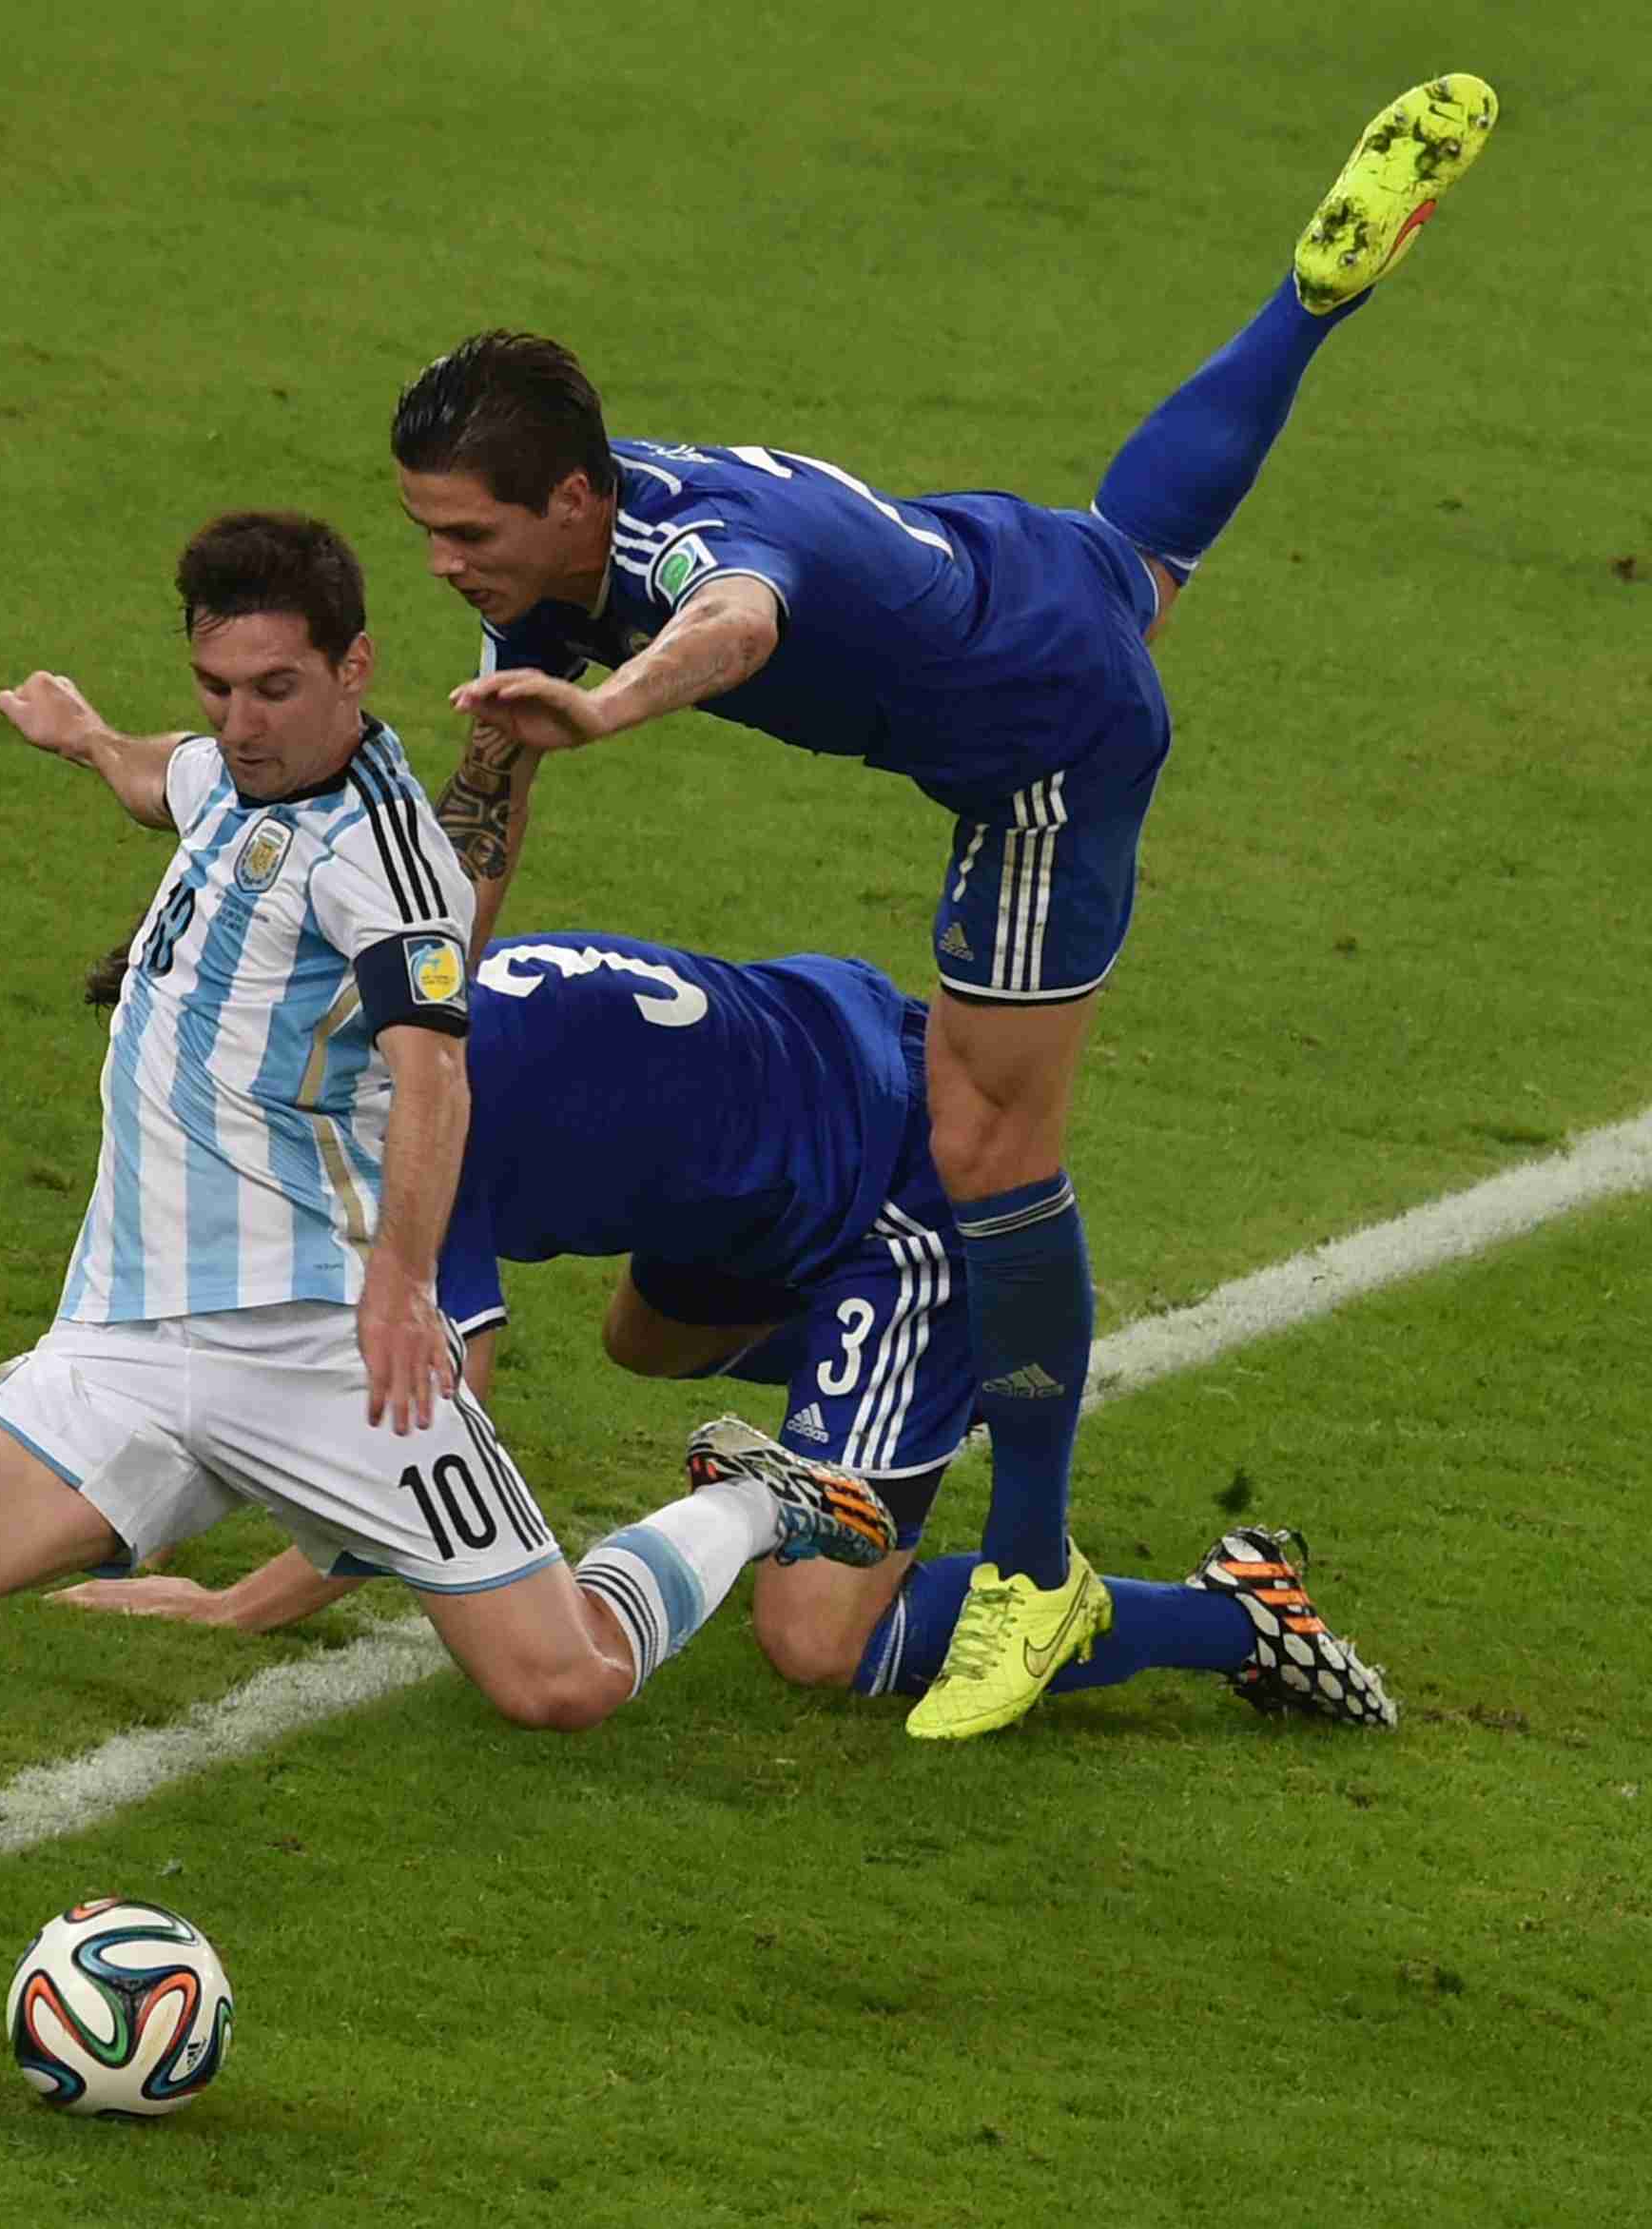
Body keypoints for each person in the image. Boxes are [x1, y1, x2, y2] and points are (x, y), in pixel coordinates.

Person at [0, 515, 893, 1995]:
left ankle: (749, 1500)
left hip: (320, 1346)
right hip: (129, 1331)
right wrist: (84, 736)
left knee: (563, 1682)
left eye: (275, 688)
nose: (242, 721)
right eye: (218, 686)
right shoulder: (231, 768)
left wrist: (404, 1284)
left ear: (355, 669)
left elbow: (435, 1075)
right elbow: (166, 776)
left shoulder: (389, 868)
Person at [388, 76, 1493, 1739]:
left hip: (1045, 753)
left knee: (990, 1150)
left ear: (577, 499)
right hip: (1014, 567)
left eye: (466, 532)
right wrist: (421, 998)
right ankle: (1310, 298)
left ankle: (1036, 1569)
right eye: (425, 533)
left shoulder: (692, 550)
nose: (443, 564)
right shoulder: (548, 571)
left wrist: (612, 708)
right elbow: (487, 807)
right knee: (1140, 552)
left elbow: (742, 621)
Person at [59, 929, 1399, 1733]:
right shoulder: (389, 990)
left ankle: (1236, 1617)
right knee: (648, 1341)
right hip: (789, 1111)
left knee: (819, 1643)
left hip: (893, 1185)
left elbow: (428, 1428)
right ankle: (912, 1404)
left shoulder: (413, 1121)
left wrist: (245, 1604)